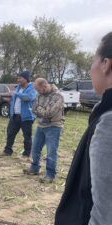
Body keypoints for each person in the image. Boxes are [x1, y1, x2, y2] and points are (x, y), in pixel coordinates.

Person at [55, 32, 112, 225]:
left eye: (93, 61)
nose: (91, 70)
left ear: (106, 64)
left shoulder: (109, 122)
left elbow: (106, 212)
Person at [23, 78, 64, 183]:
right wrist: (42, 110)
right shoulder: (39, 94)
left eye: (39, 90)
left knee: (51, 152)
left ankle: (50, 175)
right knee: (35, 148)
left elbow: (49, 113)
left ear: (45, 86)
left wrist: (40, 110)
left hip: (54, 127)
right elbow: (33, 108)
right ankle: (34, 168)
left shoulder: (58, 96)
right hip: (41, 125)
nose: (38, 92)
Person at [0, 71, 37, 157]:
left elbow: (28, 97)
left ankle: (27, 154)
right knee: (10, 133)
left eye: (20, 78)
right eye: (18, 78)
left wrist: (16, 93)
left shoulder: (32, 88)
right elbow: (14, 99)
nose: (18, 80)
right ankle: (7, 151)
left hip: (26, 117)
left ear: (26, 79)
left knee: (27, 136)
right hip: (15, 116)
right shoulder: (18, 88)